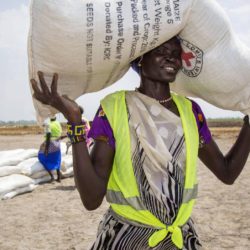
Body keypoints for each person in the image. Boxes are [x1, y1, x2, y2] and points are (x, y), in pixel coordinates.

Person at [31, 36, 250, 249]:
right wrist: (75, 122)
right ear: (140, 60)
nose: (171, 59)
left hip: (178, 239)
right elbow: (91, 198)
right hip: (126, 238)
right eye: (161, 52)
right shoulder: (115, 108)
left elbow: (227, 173)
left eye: (175, 54)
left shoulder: (191, 112)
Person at [38, 116, 62, 182]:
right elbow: (60, 134)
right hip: (57, 143)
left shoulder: (48, 125)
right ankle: (59, 176)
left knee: (41, 156)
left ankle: (52, 177)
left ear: (49, 117)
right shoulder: (58, 123)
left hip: (50, 143)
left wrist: (46, 149)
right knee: (57, 159)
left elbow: (48, 136)